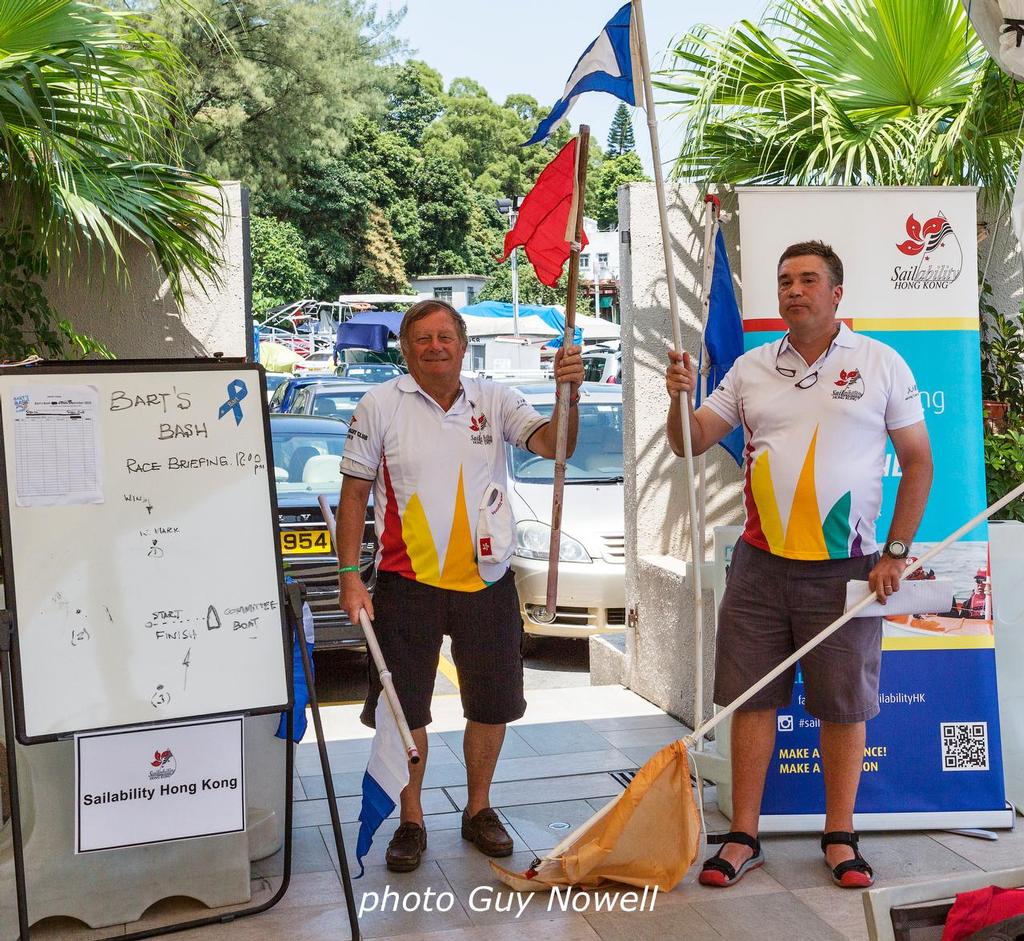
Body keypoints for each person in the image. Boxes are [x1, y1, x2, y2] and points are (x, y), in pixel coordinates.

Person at [665, 240, 933, 889]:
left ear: (836, 293)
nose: (794, 290)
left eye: (808, 279)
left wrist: (896, 552)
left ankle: (840, 836)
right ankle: (744, 836)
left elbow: (919, 460)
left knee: (844, 705)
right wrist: (677, 396)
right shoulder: (753, 367)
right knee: (751, 700)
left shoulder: (881, 363)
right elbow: (690, 440)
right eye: (785, 280)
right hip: (760, 566)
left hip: (849, 568)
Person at [336, 299, 584, 873]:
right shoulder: (379, 404)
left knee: (492, 702)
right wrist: (350, 577)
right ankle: (411, 818)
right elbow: (353, 494)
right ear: (404, 348)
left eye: (445, 336)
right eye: (421, 338)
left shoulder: (495, 400)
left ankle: (478, 809)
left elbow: (556, 446)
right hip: (405, 583)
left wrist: (565, 392)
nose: (434, 347)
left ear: (463, 343)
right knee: (405, 709)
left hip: (486, 581)